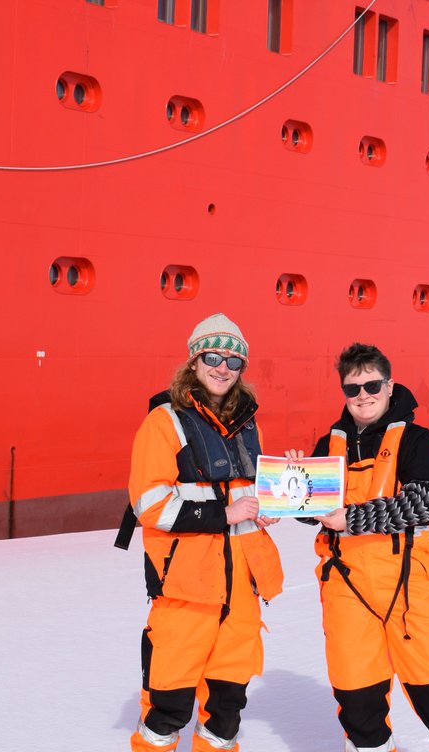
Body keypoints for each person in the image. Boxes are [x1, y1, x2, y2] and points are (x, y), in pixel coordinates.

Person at [291, 343, 429, 752]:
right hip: (346, 588)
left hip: (408, 588)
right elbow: (309, 515)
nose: (363, 395)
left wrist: (351, 519)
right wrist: (295, 483)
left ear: (389, 384)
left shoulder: (417, 440)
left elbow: (420, 502)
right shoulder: (329, 446)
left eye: (372, 384)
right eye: (353, 388)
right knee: (357, 703)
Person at [126, 314, 283, 752]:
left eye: (233, 361)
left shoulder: (248, 423)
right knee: (166, 710)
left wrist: (274, 499)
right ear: (194, 362)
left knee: (226, 713)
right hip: (186, 592)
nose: (222, 368)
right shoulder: (164, 422)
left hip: (240, 595)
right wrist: (224, 514)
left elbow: (246, 497)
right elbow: (149, 504)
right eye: (212, 356)